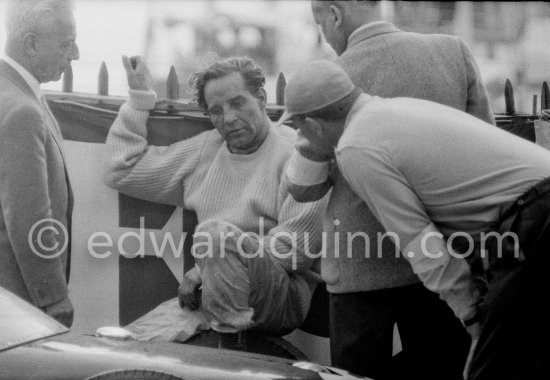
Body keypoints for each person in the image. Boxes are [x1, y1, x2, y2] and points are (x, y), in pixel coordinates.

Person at [282, 60, 550, 380]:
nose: (301, 136)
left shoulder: (357, 146)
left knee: (491, 366)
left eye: (298, 128)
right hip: (534, 209)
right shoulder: (394, 110)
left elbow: (421, 244)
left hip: (537, 216)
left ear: (312, 124)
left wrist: (472, 317)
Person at [291, 1, 495, 378]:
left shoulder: (328, 78)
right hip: (443, 258)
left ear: (334, 15)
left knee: (359, 377)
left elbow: (304, 187)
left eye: (321, 26)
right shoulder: (451, 52)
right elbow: (484, 147)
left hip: (359, 265)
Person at [103, 56, 327, 348]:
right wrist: (139, 98)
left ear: (260, 98)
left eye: (237, 103)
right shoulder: (208, 149)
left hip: (281, 295)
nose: (229, 119)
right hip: (212, 293)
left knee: (215, 236)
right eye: (216, 111)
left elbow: (295, 250)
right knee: (126, 347)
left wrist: (209, 265)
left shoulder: (294, 153)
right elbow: (121, 170)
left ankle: (226, 355)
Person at [0, 0, 79, 327]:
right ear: (31, 44)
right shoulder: (23, 110)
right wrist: (53, 295)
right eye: (66, 45)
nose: (74, 56)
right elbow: (28, 215)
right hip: (17, 299)